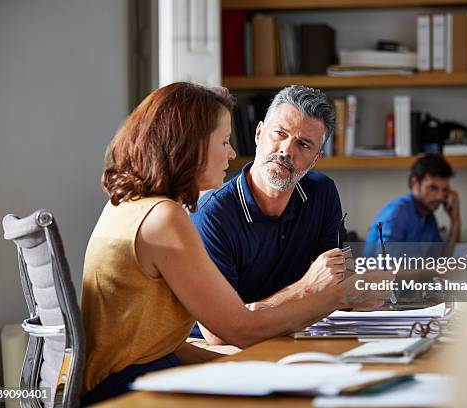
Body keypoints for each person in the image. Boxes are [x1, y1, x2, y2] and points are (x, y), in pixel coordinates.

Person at [79, 82, 376, 405]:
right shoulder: (164, 219)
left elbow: (154, 342)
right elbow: (238, 330)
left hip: (126, 377)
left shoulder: (128, 205)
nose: (232, 153)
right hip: (124, 391)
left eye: (304, 144)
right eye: (223, 141)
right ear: (189, 144)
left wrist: (250, 365)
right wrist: (334, 295)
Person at [191, 85, 347, 345]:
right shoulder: (213, 215)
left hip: (293, 337)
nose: (286, 150)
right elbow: (219, 334)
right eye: (280, 134)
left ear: (315, 159)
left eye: (303, 144)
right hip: (223, 353)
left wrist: (364, 287)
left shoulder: (323, 193)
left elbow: (336, 281)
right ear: (259, 133)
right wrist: (306, 288)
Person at [365, 154, 461, 246]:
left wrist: (455, 221)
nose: (440, 196)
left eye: (444, 189)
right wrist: (424, 263)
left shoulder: (428, 217)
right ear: (414, 183)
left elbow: (445, 260)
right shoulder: (398, 212)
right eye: (432, 188)